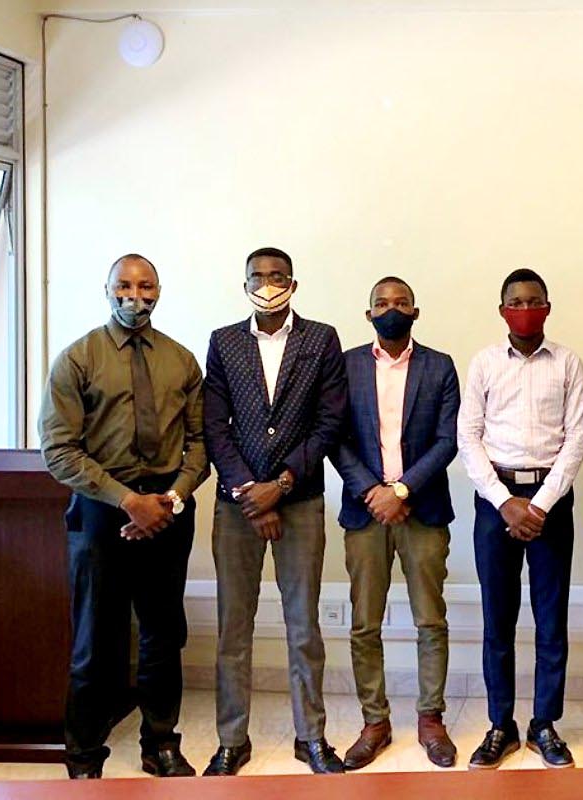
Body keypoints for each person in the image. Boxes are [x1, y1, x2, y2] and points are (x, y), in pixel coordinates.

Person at [40, 254, 208, 779]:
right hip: (100, 514)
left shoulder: (181, 360)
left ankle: (161, 744)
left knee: (163, 636)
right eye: (125, 285)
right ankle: (85, 759)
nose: (135, 294)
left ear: (160, 291)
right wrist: (125, 500)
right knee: (97, 643)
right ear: (107, 289)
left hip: (168, 510)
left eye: (146, 285)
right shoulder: (78, 358)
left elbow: (200, 444)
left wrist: (171, 499)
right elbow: (59, 450)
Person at [202, 247, 347, 775]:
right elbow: (215, 426)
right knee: (232, 629)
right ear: (243, 284)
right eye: (257, 276)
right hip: (235, 505)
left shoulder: (321, 339)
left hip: (300, 500)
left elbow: (329, 424)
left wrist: (280, 485)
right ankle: (231, 741)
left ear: (293, 282)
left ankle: (311, 736)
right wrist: (249, 490)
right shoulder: (224, 342)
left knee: (303, 626)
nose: (267, 283)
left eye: (276, 275)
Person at [457, 268, 583, 769]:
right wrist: (504, 501)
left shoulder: (568, 363)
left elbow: (577, 438)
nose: (525, 308)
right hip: (496, 504)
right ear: (502, 310)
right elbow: (468, 437)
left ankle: (545, 725)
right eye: (516, 301)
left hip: (551, 503)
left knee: (551, 619)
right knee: (499, 619)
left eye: (534, 300)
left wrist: (539, 504)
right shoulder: (485, 363)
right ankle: (500, 725)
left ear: (548, 307)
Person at [332, 277, 461, 770]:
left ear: (416, 311)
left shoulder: (440, 366)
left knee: (430, 621)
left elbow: (447, 440)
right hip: (364, 511)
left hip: (422, 510)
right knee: (365, 624)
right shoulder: (344, 367)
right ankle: (375, 722)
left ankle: (431, 718)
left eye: (401, 303)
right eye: (382, 304)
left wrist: (402, 490)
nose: (392, 309)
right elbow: (335, 437)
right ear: (368, 315)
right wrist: (373, 492)